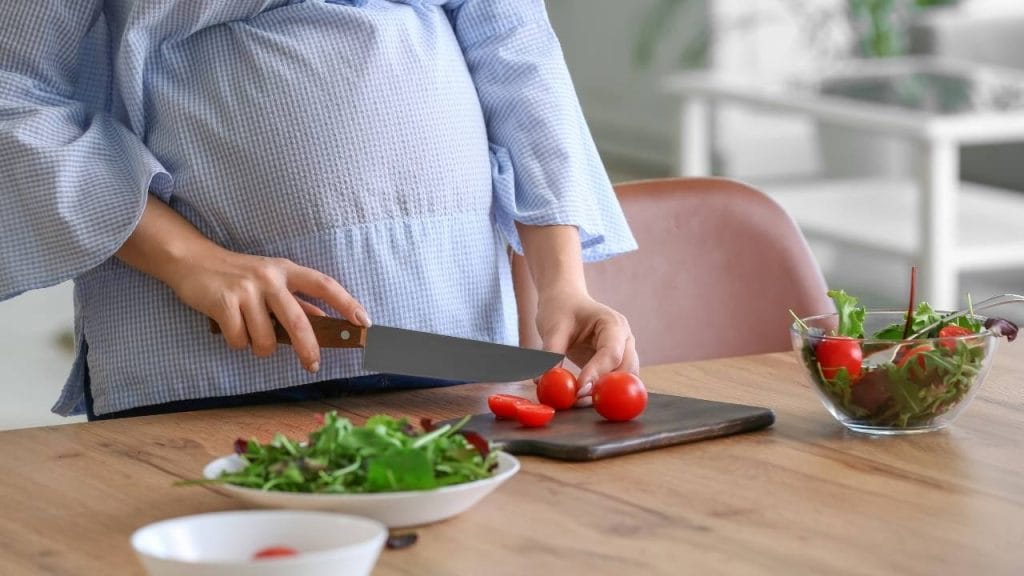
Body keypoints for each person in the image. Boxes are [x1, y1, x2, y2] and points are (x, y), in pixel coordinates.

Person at [0, 0, 638, 420]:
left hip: (452, 334)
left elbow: (513, 42)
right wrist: (193, 262)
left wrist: (564, 286)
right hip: (203, 361)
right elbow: (14, 91)